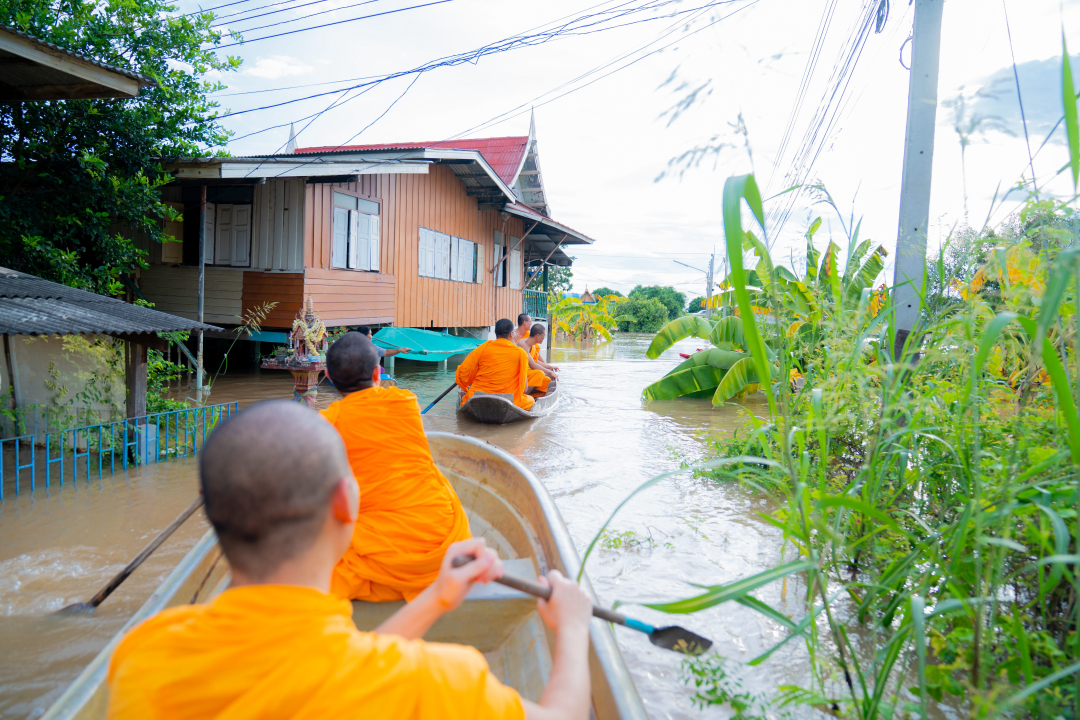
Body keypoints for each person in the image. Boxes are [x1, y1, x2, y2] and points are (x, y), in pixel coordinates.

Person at [106, 401, 595, 720]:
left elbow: (319, 670)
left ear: (213, 513)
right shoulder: (440, 681)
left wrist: (437, 600)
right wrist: (572, 628)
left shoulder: (143, 654)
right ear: (345, 502)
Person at [322, 332, 471, 601]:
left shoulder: (328, 422)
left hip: (383, 552)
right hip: (446, 542)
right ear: (378, 375)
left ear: (328, 377)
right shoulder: (405, 403)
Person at [457, 319, 534, 410]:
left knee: (467, 396)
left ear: (495, 332)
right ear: (511, 334)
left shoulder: (484, 347)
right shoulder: (521, 353)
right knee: (531, 400)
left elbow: (463, 374)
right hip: (509, 399)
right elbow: (524, 389)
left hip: (477, 396)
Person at [515, 323, 557, 395]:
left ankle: (533, 391)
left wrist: (550, 367)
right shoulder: (522, 344)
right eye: (544, 335)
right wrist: (550, 372)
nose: (544, 338)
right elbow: (533, 365)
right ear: (537, 336)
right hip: (520, 373)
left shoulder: (532, 345)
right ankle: (523, 395)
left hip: (528, 373)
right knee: (539, 373)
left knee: (547, 381)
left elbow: (535, 361)